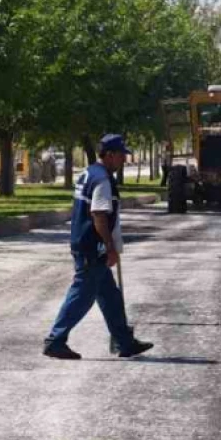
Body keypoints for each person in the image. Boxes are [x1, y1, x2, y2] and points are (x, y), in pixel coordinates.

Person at [43, 134, 154, 361]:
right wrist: (110, 246)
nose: (123, 160)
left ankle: (124, 341)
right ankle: (55, 340)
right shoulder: (103, 180)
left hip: (87, 243)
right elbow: (98, 215)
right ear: (110, 155)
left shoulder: (90, 172)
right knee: (82, 294)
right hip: (92, 247)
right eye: (121, 155)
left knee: (110, 296)